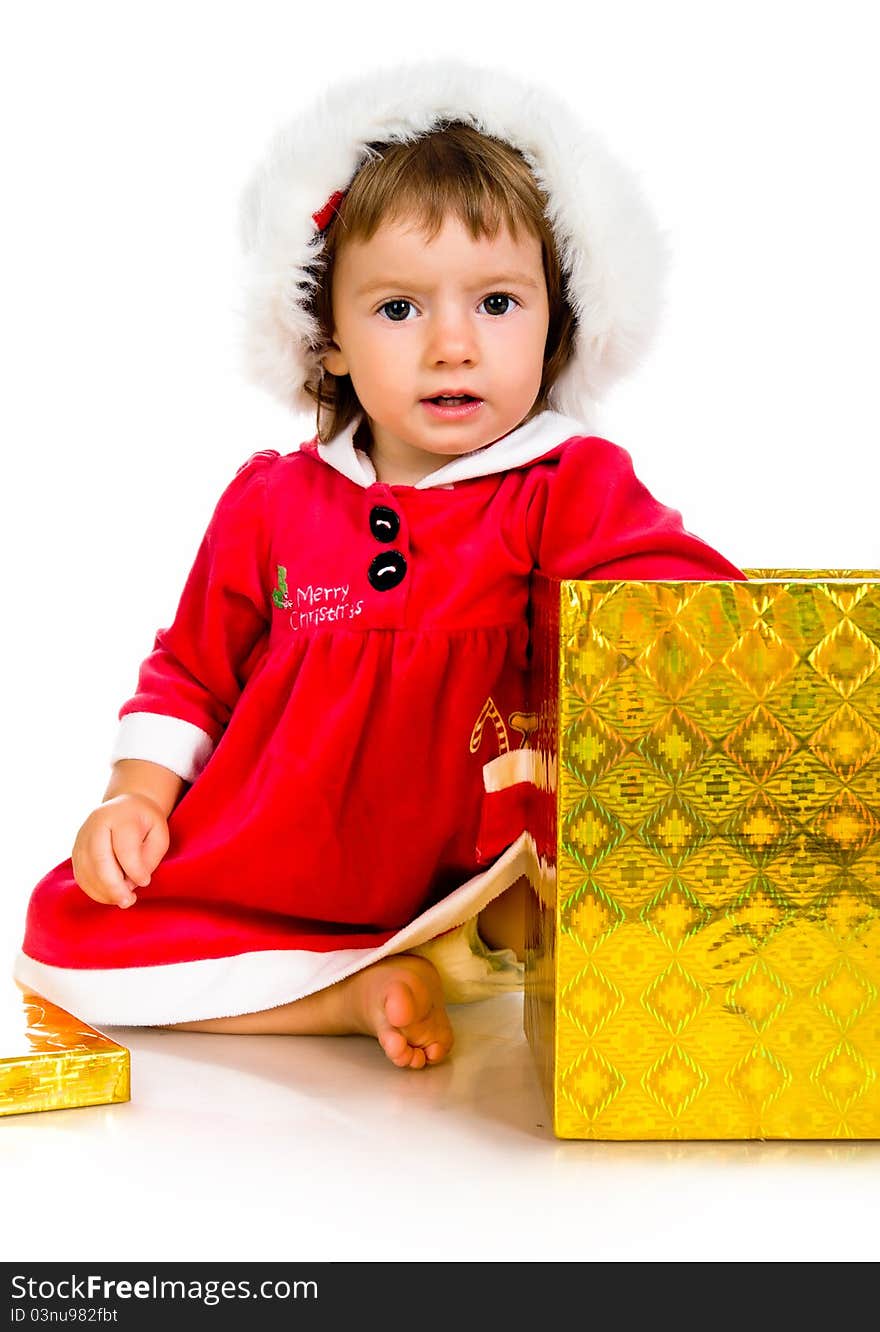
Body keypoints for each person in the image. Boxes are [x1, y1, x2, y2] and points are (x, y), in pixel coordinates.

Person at [13, 58, 747, 1070]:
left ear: (555, 321)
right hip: (286, 863)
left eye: (496, 303)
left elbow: (683, 594)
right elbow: (191, 670)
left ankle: (445, 954)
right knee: (62, 937)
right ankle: (346, 995)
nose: (453, 344)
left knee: (547, 915)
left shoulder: (560, 483)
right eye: (399, 309)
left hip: (475, 876)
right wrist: (133, 797)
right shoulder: (274, 499)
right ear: (331, 344)